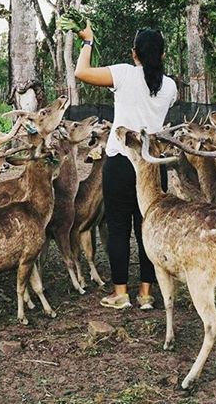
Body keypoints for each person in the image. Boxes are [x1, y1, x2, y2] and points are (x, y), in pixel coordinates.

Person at [74, 23, 177, 310]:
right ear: (163, 54)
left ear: (134, 53)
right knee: (148, 227)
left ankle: (121, 293)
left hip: (120, 163)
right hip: (153, 166)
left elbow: (81, 72)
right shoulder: (170, 87)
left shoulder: (123, 74)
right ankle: (146, 293)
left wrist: (88, 42)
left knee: (118, 229)